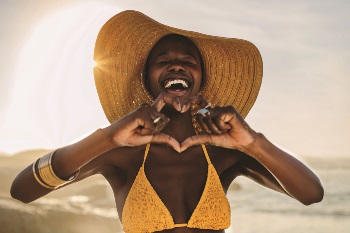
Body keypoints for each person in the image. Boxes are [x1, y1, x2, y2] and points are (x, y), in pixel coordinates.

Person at [11, 10, 323, 233]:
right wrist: (107, 138)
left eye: (188, 61)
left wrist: (253, 142)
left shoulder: (225, 153)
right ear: (147, 80)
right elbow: (23, 190)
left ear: (201, 79)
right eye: (163, 61)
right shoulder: (121, 151)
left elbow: (311, 194)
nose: (176, 65)